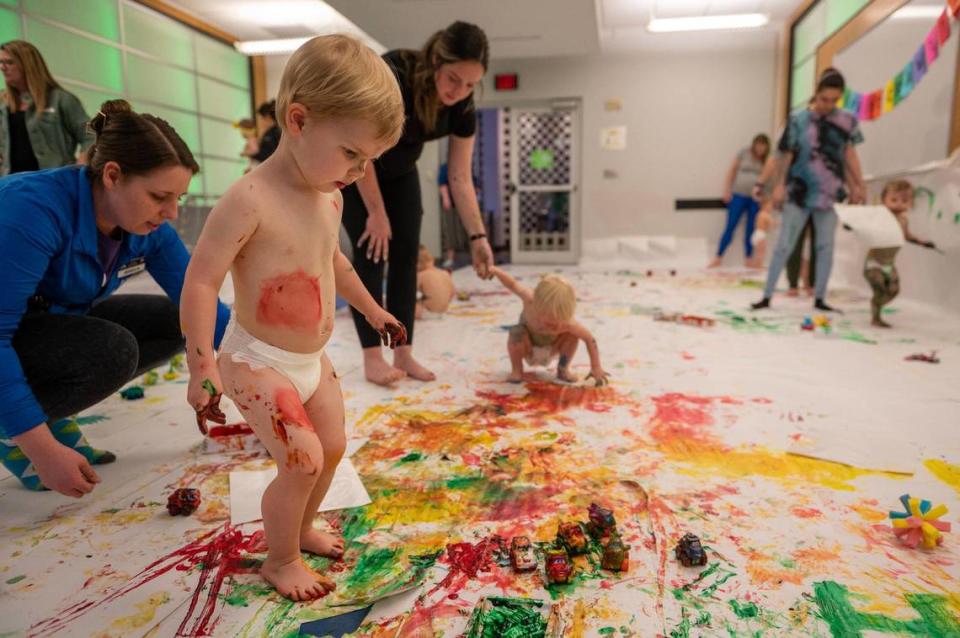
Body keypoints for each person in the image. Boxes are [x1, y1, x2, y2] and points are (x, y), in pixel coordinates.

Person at [181, 35, 407, 602]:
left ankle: (301, 528)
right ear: (299, 120)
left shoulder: (328, 196)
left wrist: (375, 310)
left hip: (311, 359)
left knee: (330, 448)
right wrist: (200, 365)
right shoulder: (249, 198)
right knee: (301, 459)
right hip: (256, 360)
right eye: (352, 154)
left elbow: (334, 263)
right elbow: (202, 280)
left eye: (369, 162)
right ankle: (279, 559)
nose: (358, 172)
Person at [0, 99, 229, 496]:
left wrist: (270, 380)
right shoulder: (31, 210)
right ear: (112, 175)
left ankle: (43, 414)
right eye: (160, 196)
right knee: (112, 350)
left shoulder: (144, 225)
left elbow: (199, 298)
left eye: (179, 198)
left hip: (34, 323)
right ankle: (13, 430)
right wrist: (41, 451)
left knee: (180, 320)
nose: (172, 212)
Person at [341, 21, 494, 386]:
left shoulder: (462, 106)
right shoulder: (396, 73)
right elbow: (361, 147)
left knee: (407, 256)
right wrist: (376, 213)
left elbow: (459, 176)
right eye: (454, 79)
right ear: (437, 60)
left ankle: (403, 352)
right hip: (360, 168)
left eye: (471, 84)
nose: (460, 91)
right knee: (372, 252)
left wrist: (478, 237)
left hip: (402, 170)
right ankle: (372, 358)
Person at [751, 68, 866, 313]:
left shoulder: (846, 120)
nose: (829, 105)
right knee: (785, 244)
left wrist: (859, 185)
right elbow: (787, 154)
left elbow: (849, 155)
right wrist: (779, 186)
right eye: (825, 99)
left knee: (825, 246)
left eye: (835, 100)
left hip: (831, 192)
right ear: (816, 94)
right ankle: (767, 295)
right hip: (799, 191)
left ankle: (820, 297)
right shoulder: (798, 120)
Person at [489, 267, 609, 386]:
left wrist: (596, 367)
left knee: (572, 335)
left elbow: (589, 339)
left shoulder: (568, 323)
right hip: (527, 346)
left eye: (559, 321)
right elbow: (512, 284)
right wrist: (494, 270)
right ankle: (517, 370)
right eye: (549, 322)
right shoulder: (529, 300)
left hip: (552, 348)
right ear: (537, 305)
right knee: (516, 332)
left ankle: (563, 369)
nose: (555, 326)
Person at [0, 40, 94, 176]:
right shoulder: (3, 103)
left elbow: (91, 135)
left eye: (9, 62)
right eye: (1, 62)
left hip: (52, 183)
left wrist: (81, 165)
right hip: (12, 185)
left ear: (27, 65)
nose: (2, 67)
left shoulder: (61, 99)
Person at [865, 179, 937, 328]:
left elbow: (907, 236)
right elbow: (865, 226)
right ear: (884, 200)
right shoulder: (881, 217)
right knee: (879, 285)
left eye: (904, 200)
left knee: (893, 290)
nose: (899, 204)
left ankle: (876, 305)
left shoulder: (903, 220)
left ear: (911, 203)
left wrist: (922, 242)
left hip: (889, 263)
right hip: (874, 262)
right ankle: (875, 316)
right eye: (893, 200)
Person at [710, 134, 770, 268]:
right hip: (738, 195)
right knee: (730, 226)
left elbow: (767, 180)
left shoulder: (766, 161)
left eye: (763, 147)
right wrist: (727, 190)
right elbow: (732, 171)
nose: (760, 149)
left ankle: (749, 258)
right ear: (754, 144)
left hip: (755, 199)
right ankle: (718, 256)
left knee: (751, 229)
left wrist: (765, 199)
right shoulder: (744, 153)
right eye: (758, 145)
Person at [437, 161, 475, 269]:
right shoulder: (446, 167)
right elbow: (442, 183)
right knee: (450, 230)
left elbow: (474, 184)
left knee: (469, 230)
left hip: (466, 204)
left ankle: (474, 257)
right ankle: (450, 258)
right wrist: (446, 198)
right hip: (451, 203)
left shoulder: (468, 166)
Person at [416, 245, 455, 318]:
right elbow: (452, 293)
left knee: (407, 306)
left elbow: (409, 294)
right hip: (444, 311)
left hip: (427, 313)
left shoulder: (421, 275)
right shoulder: (445, 273)